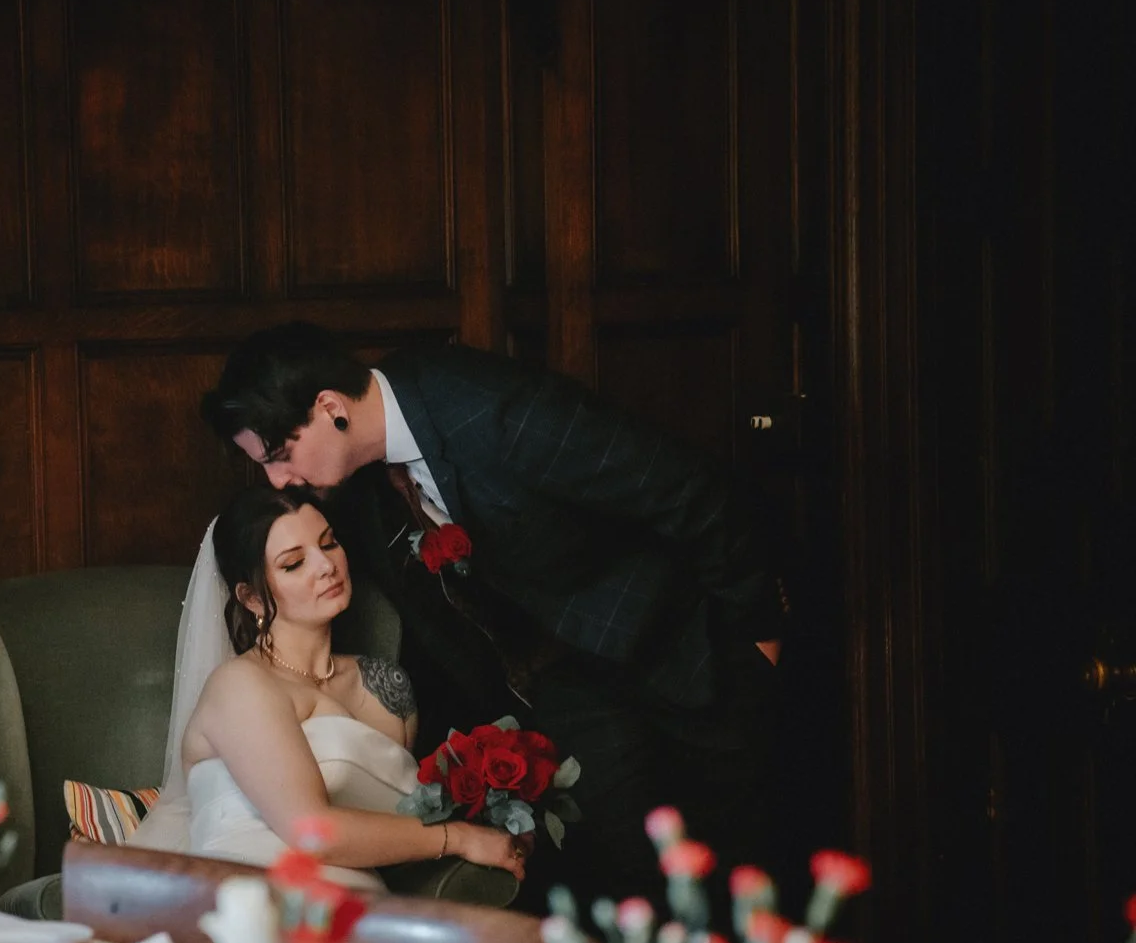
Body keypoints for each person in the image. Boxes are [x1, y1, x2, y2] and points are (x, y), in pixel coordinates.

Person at [199, 322, 783, 910]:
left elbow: (687, 488)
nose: (278, 478)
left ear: (329, 407)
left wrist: (760, 633)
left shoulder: (490, 409)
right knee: (630, 884)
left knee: (739, 874)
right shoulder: (355, 491)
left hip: (689, 649)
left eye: (279, 455)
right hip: (576, 689)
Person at [130, 483, 526, 892]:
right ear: (251, 599)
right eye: (294, 563)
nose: (326, 565)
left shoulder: (387, 688)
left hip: (363, 908)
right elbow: (310, 830)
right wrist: (461, 838)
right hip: (248, 905)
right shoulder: (240, 684)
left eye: (329, 543)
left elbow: (397, 828)